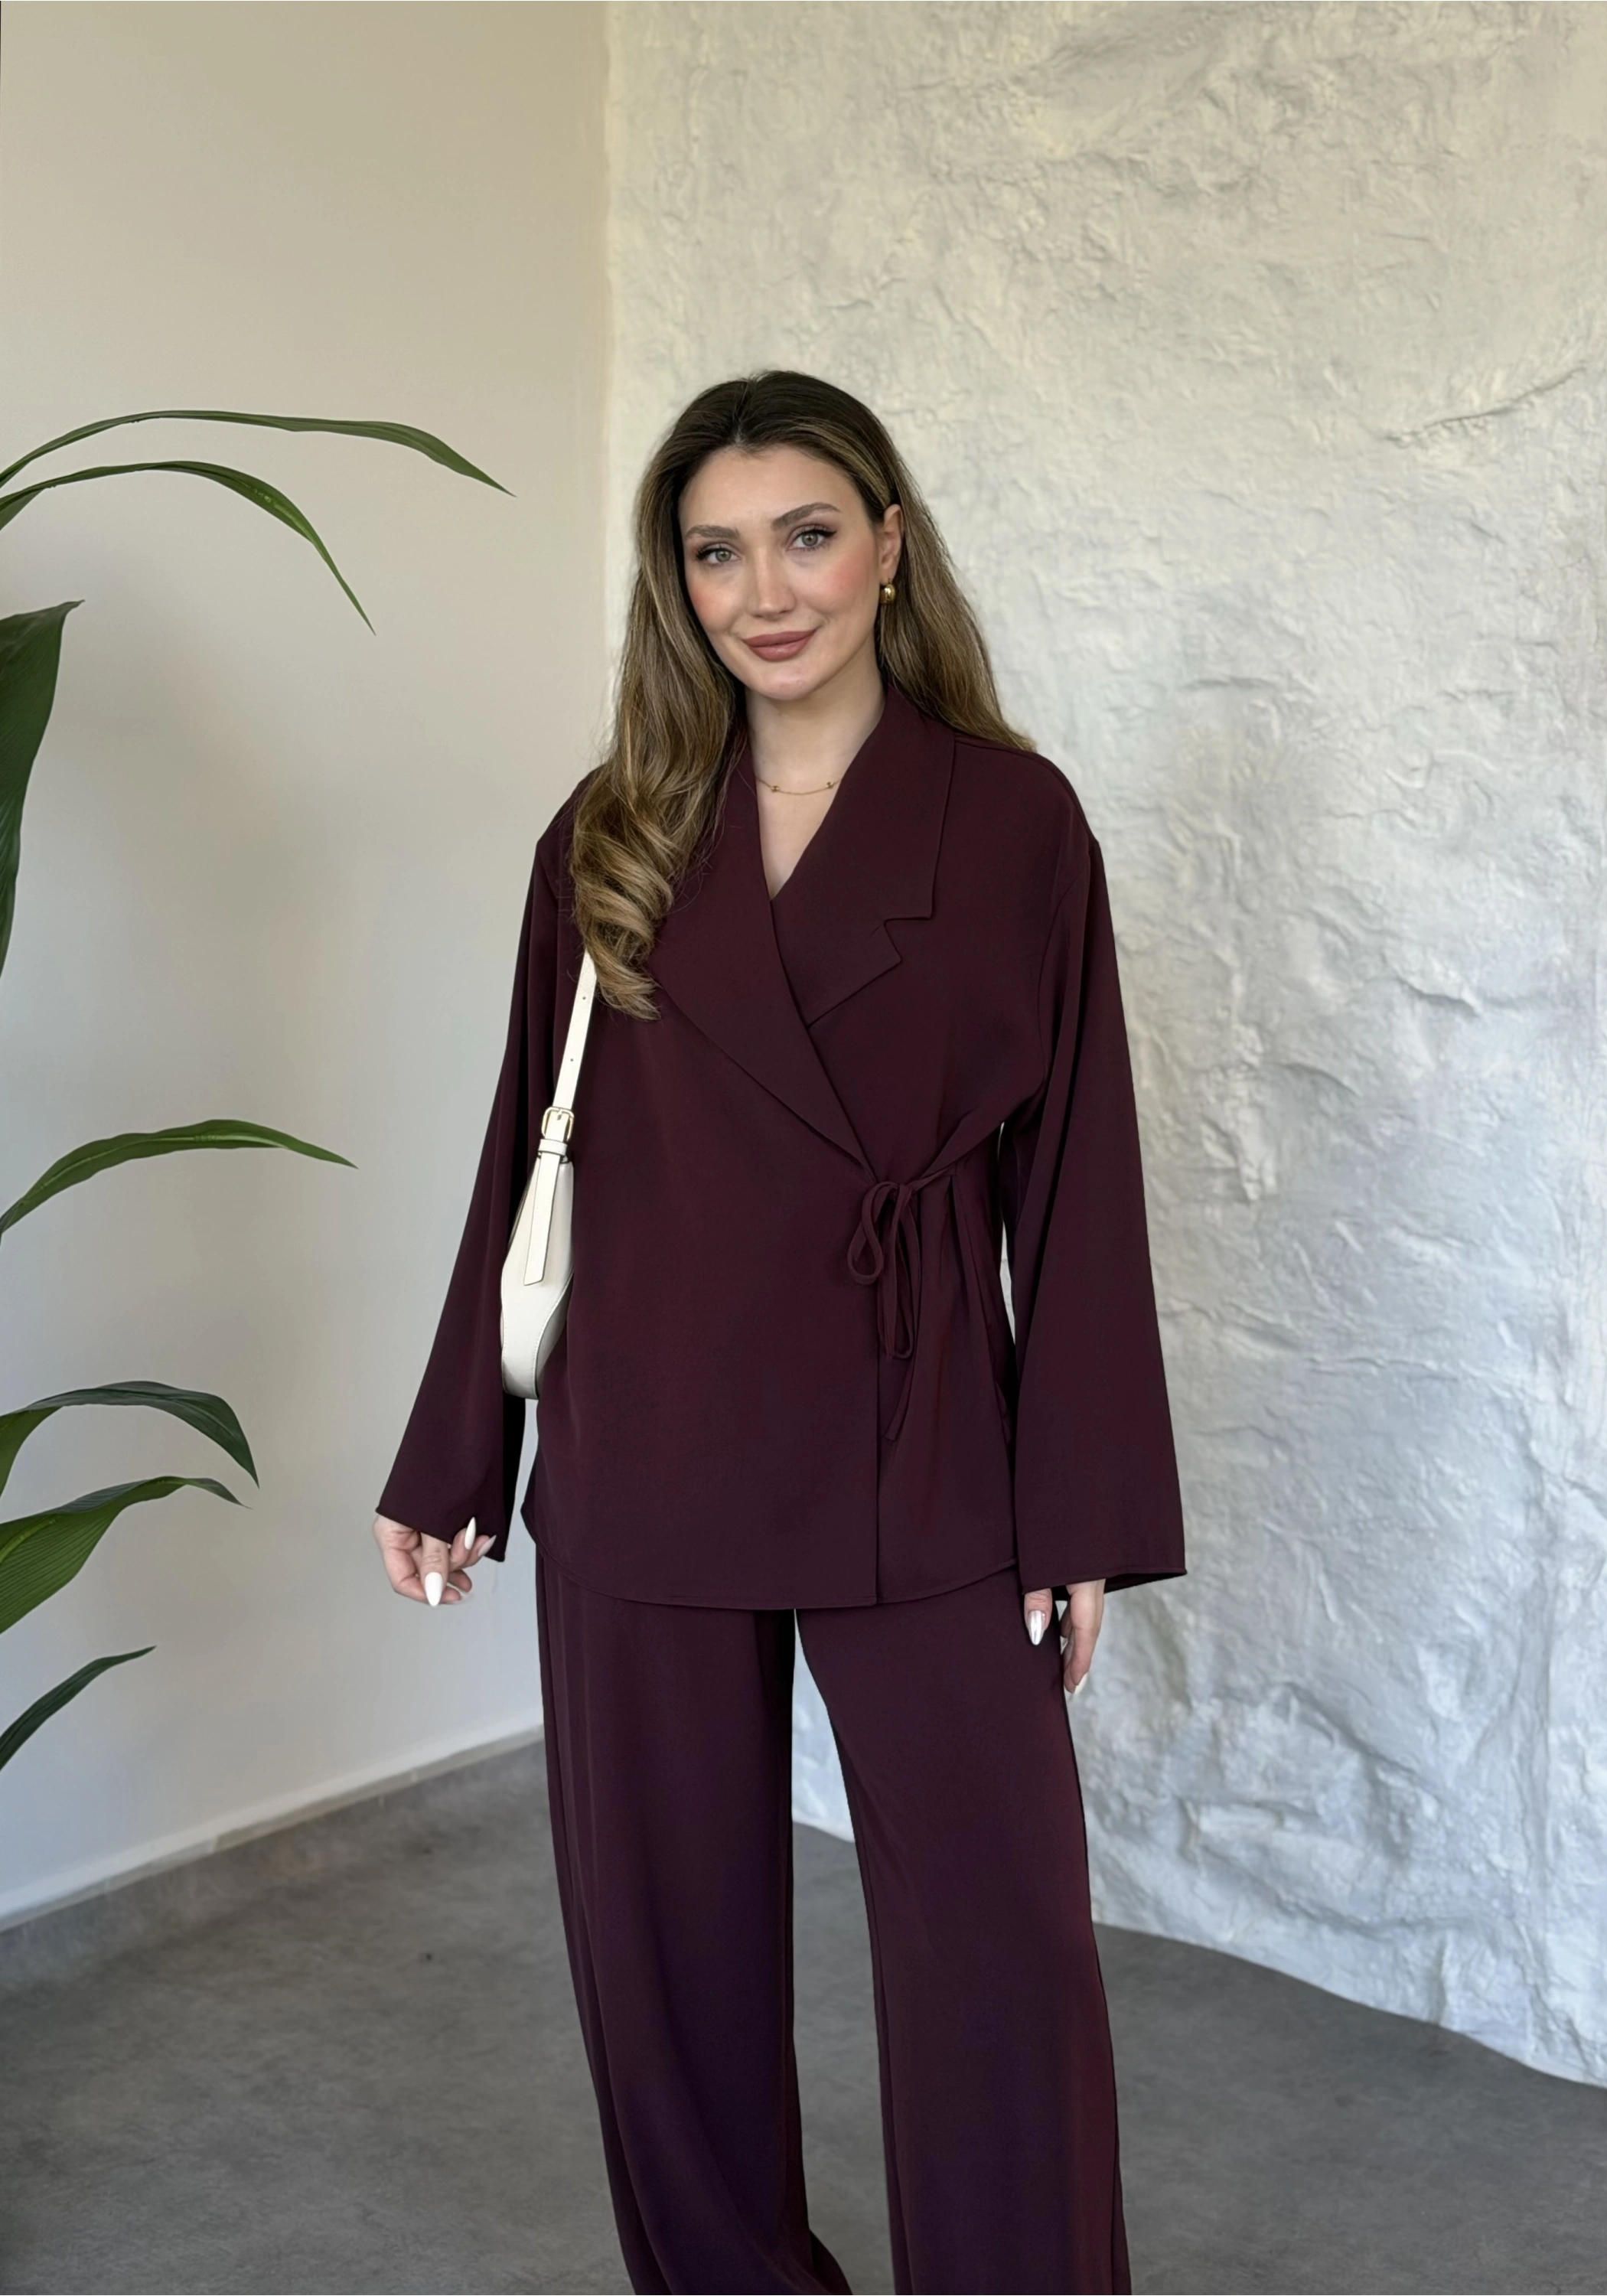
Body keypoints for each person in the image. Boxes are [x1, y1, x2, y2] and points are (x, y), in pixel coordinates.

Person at [371, 369, 1185, 2296]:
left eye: (805, 536)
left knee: (1001, 1949)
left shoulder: (1013, 822)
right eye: (715, 551)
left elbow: (1077, 1182)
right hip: (646, 1433)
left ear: (887, 546)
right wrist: (458, 1450)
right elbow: (529, 1154)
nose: (765, 592)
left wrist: (1075, 1511)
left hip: (923, 1440)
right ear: (676, 582)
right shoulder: (614, 830)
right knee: (663, 1964)